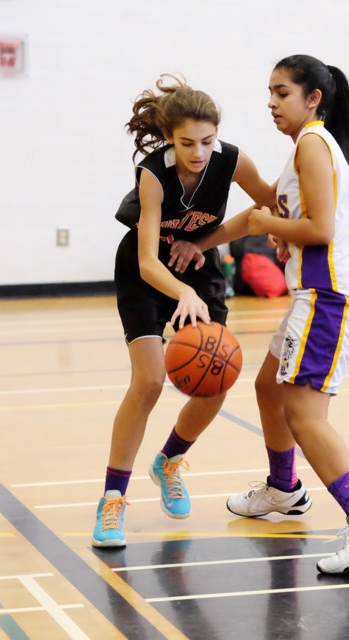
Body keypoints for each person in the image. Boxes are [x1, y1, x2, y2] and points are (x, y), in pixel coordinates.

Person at [168, 55, 349, 574]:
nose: (271, 103)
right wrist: (201, 243)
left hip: (330, 296)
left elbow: (320, 230)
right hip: (315, 293)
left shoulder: (314, 144)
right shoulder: (308, 149)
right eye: (269, 93)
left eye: (281, 93)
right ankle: (283, 490)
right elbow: (274, 216)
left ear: (312, 97)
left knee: (304, 413)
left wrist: (268, 223)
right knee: (268, 387)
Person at [92, 74, 277, 548]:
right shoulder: (153, 174)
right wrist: (182, 294)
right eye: (187, 143)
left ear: (218, 135)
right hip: (146, 272)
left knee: (219, 373)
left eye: (207, 141)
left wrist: (277, 226)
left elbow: (269, 202)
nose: (198, 152)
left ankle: (170, 460)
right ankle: (112, 499)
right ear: (170, 139)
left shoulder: (232, 161)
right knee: (149, 382)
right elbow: (150, 261)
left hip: (200, 267)